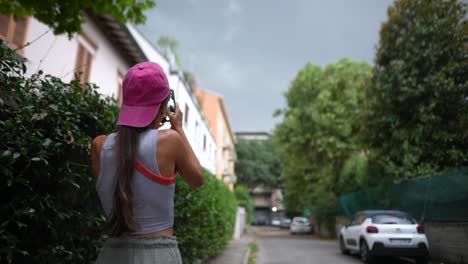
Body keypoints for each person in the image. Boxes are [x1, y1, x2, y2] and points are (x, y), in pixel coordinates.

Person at [91, 61, 204, 264]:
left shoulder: (99, 146)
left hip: (112, 254)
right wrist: (178, 127)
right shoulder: (170, 140)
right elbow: (197, 179)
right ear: (164, 104)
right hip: (157, 256)